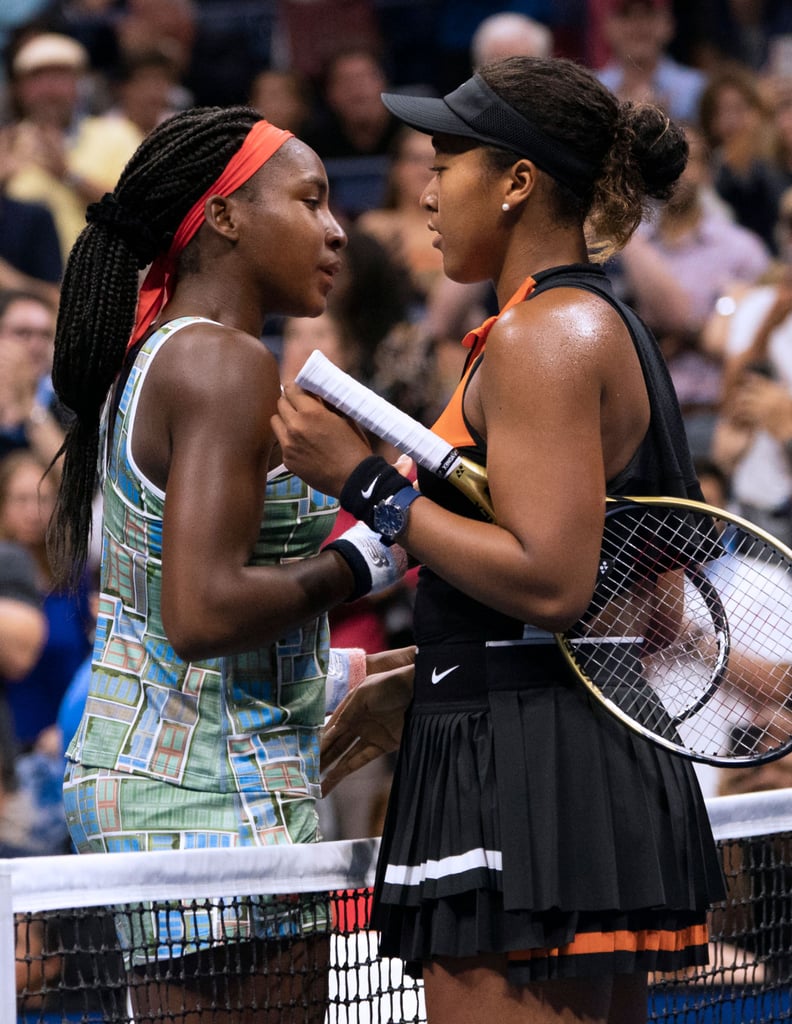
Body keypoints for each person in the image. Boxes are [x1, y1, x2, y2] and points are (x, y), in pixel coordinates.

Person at [272, 55, 726, 1024]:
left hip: (527, 772)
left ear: (518, 180)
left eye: (447, 160)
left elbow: (552, 582)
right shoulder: (585, 323)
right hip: (547, 745)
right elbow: (654, 602)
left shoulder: (546, 337)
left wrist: (355, 479)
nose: (426, 191)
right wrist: (447, 662)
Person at [46, 105, 409, 1021]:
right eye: (311, 200)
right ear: (224, 216)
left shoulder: (176, 352)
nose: (337, 229)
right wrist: (363, 562)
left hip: (180, 766)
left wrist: (352, 674)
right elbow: (202, 614)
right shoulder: (221, 363)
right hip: (197, 787)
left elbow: (166, 617)